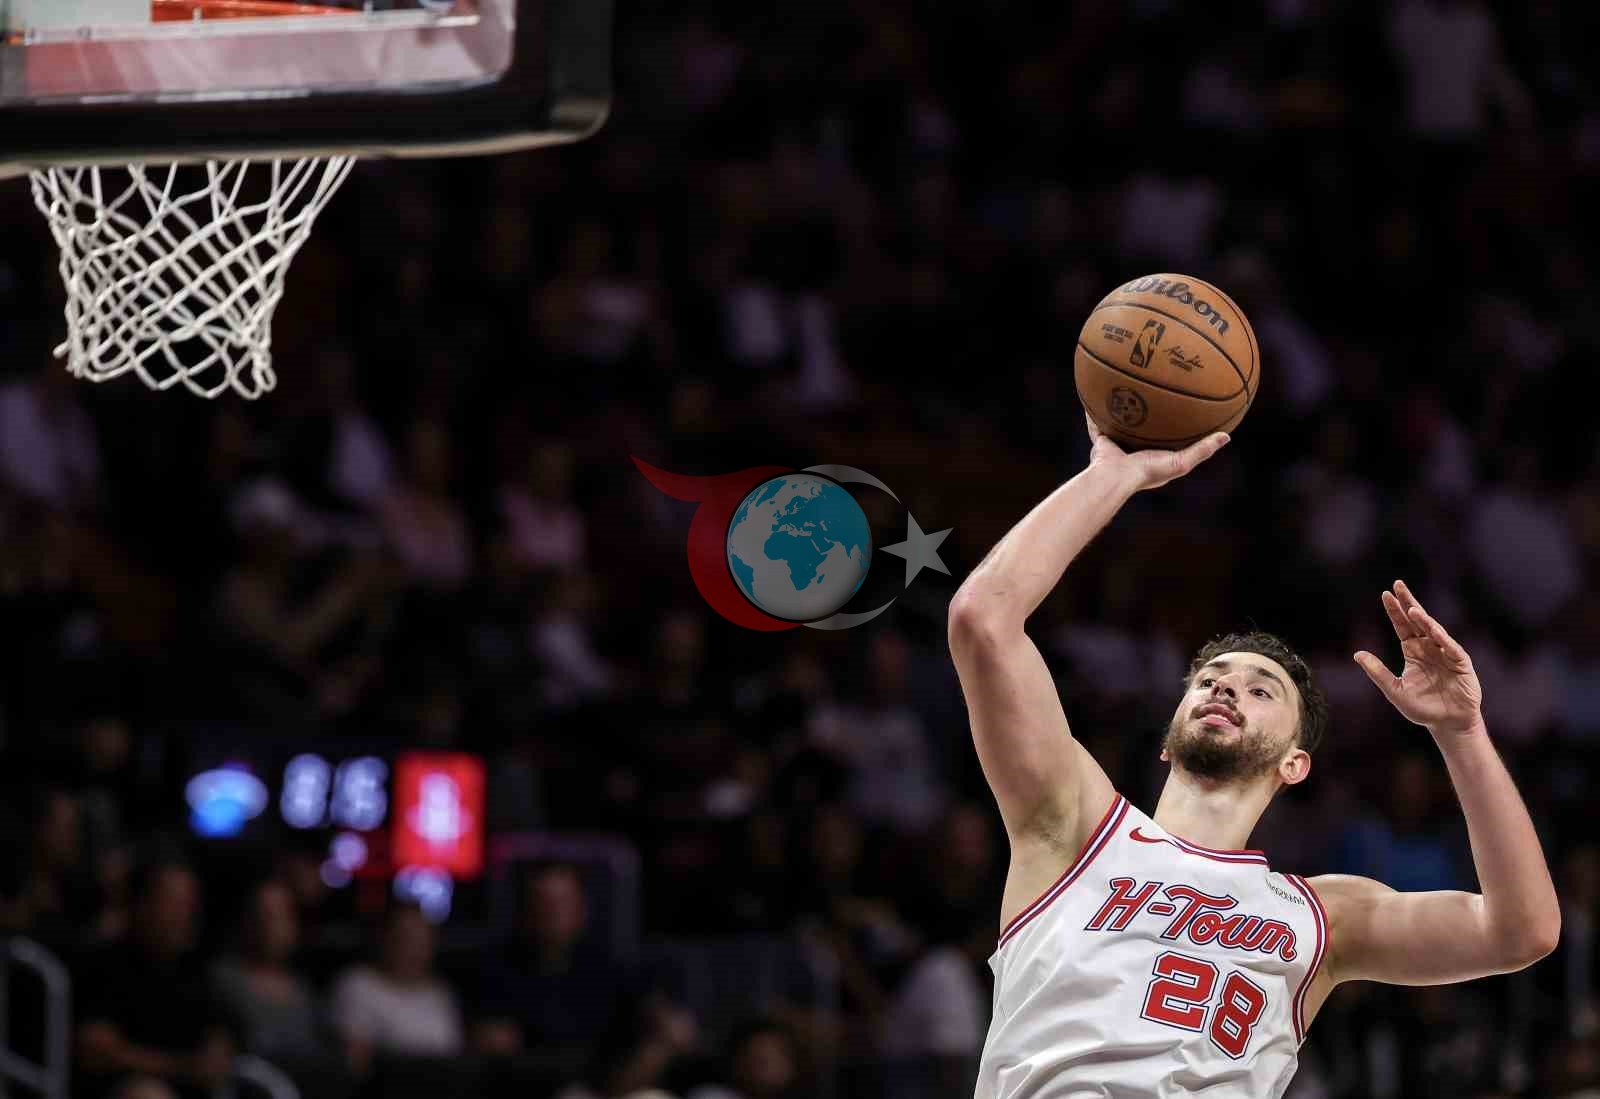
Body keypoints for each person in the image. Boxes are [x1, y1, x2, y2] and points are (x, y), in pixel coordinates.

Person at [947, 415, 1561, 1097]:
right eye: (1209, 680)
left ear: (1294, 763)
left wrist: (1462, 733)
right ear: (1168, 736)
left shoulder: (1321, 914)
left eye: (1260, 688)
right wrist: (1111, 477)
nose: (1225, 687)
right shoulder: (1077, 827)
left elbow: (1522, 931)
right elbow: (983, 619)